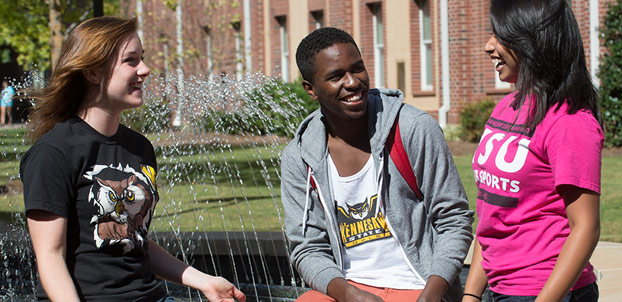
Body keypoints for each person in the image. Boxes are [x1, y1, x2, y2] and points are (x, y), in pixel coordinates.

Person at [20, 16, 246, 302]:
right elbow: (50, 258)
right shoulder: (54, 152)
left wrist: (204, 281)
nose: (145, 69)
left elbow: (134, 240)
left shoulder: (139, 149)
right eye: (131, 61)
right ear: (92, 71)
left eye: (142, 58)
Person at [281, 27, 474, 302]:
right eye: (336, 76)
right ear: (310, 89)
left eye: (357, 69)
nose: (352, 82)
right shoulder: (300, 156)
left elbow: (453, 220)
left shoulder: (412, 129)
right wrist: (347, 293)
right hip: (350, 288)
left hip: (419, 285)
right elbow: (307, 248)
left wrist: (430, 295)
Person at [463, 1, 603, 301]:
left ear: (531, 40)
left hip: (545, 290)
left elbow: (586, 227)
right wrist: (472, 294)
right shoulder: (506, 107)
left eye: (500, 36)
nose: (489, 46)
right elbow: (491, 212)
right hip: (497, 288)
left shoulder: (569, 121)